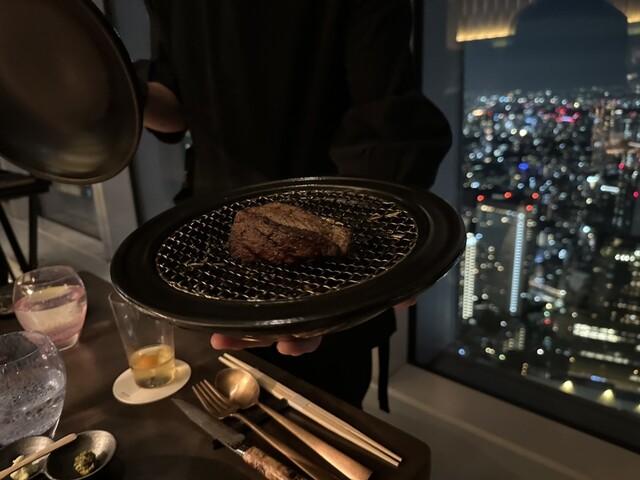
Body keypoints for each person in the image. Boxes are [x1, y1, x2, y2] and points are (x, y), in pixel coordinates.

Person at [137, 0, 452, 410]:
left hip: (333, 261)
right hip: (209, 260)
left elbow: (384, 116)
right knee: (229, 411)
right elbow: (174, 106)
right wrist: (117, 91)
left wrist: (374, 261)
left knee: (328, 413)